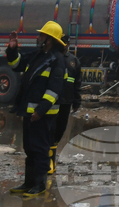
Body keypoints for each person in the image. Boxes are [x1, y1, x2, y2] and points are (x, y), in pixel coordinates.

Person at [5, 22, 67, 197]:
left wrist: (40, 111)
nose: (38, 38)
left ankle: (39, 185)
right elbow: (16, 64)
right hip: (30, 112)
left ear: (49, 40)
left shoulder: (57, 60)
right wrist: (12, 49)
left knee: (40, 149)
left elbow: (54, 90)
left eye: (41, 35)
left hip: (42, 115)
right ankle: (29, 183)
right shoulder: (39, 56)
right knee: (29, 148)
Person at [50, 35, 82, 175]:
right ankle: (49, 160)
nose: (65, 45)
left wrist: (76, 101)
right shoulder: (52, 58)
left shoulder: (73, 61)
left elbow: (77, 83)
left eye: (67, 43)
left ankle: (52, 153)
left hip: (66, 101)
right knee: (49, 129)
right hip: (52, 101)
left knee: (60, 129)